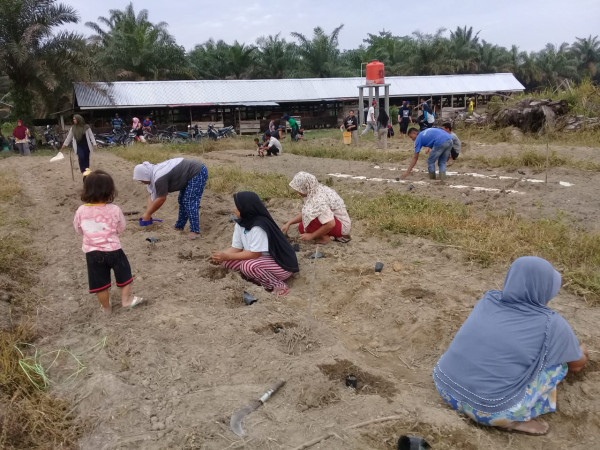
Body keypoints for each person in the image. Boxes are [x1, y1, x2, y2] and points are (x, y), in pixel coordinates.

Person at [433, 256, 587, 436]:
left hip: (444, 385)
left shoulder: (489, 299)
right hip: (489, 410)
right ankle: (513, 420)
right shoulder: (552, 324)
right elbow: (576, 365)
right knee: (559, 364)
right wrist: (580, 351)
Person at [73, 170, 143, 313]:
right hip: (114, 249)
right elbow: (121, 227)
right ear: (110, 191)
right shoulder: (115, 209)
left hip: (92, 253)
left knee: (100, 283)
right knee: (125, 274)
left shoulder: (81, 210)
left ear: (86, 190)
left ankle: (106, 308)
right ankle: (126, 301)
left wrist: (90, 234)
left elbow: (78, 228)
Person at [211, 191, 299, 296]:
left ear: (246, 208)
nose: (235, 209)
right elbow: (236, 248)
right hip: (260, 261)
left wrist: (227, 255)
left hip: (280, 264)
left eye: (238, 207)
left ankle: (278, 285)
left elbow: (255, 254)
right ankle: (257, 278)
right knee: (227, 262)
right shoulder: (241, 224)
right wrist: (221, 256)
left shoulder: (259, 226)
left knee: (248, 266)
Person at [133, 158, 209, 240]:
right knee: (182, 200)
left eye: (141, 179)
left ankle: (195, 231)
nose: (141, 182)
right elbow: (151, 196)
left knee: (189, 201)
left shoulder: (159, 177)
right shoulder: (153, 174)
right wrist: (148, 213)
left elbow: (161, 198)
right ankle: (179, 227)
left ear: (145, 175)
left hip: (197, 171)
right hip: (187, 174)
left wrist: (148, 214)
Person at [281, 172, 351, 244]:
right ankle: (327, 235)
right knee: (302, 226)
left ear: (306, 187)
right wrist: (289, 223)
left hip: (341, 226)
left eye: (299, 189)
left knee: (307, 227)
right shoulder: (315, 189)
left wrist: (311, 236)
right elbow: (306, 213)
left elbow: (331, 224)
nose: (297, 192)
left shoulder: (318, 201)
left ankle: (325, 238)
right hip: (338, 221)